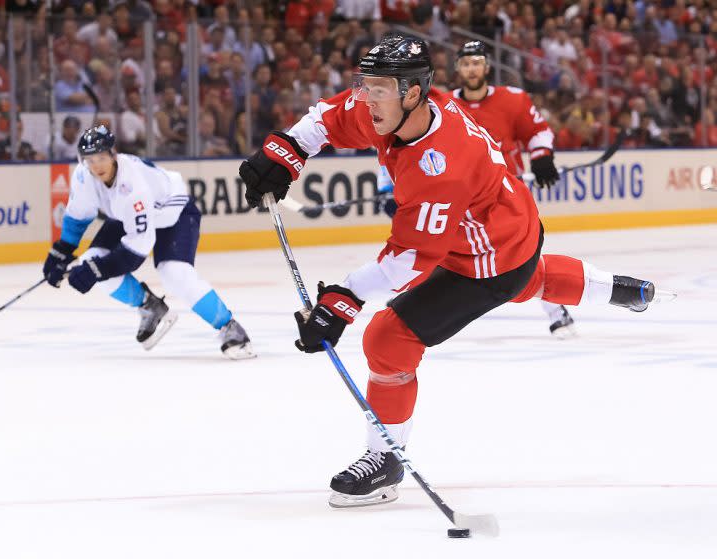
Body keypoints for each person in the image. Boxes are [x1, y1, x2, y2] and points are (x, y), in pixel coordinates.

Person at [239, 35, 664, 508]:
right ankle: (621, 290)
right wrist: (283, 152)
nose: (366, 98)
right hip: (502, 227)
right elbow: (327, 118)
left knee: (388, 339)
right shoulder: (398, 107)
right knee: (531, 280)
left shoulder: (440, 165)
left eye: (377, 89)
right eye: (367, 86)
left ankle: (386, 459)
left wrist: (343, 300)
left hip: (490, 257)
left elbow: (407, 260)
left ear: (413, 93)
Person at [42, 125, 255, 359]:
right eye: (90, 160)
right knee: (91, 259)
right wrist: (59, 254)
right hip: (127, 215)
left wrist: (95, 271)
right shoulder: (84, 175)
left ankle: (230, 328)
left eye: (101, 157)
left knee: (173, 272)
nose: (96, 165)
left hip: (173, 213)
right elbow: (77, 217)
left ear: (113, 154)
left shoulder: (133, 184)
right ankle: (149, 306)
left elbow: (136, 251)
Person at [449, 40, 578, 336]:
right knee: (440, 246)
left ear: (487, 66)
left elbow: (538, 132)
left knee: (521, 254)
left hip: (506, 196)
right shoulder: (444, 104)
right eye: (466, 63)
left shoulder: (513, 100)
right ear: (458, 68)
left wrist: (542, 157)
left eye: (477, 62)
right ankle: (417, 299)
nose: (471, 68)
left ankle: (556, 308)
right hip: (460, 198)